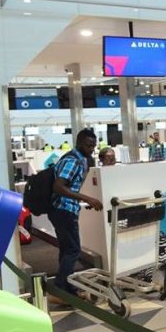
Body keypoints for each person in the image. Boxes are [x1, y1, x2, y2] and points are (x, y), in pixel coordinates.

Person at [48, 129, 103, 303]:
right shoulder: (73, 161)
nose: (91, 149)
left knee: (66, 250)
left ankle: (67, 287)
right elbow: (59, 187)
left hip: (61, 210)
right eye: (88, 145)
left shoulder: (76, 159)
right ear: (79, 143)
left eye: (93, 145)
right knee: (73, 250)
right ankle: (58, 289)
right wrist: (88, 199)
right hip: (63, 210)